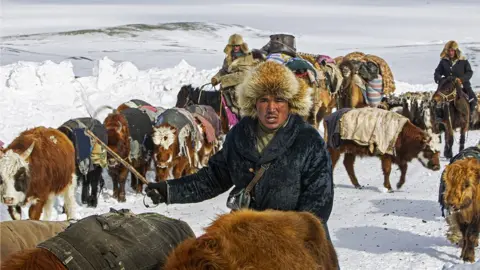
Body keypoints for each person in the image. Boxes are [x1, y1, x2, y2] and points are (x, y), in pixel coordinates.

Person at [146, 61, 335, 243]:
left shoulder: (308, 141)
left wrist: (287, 237)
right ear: (253, 103)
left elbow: (319, 201)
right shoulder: (239, 135)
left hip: (298, 240)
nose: (271, 108)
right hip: (247, 236)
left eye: (279, 100)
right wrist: (168, 191)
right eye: (264, 100)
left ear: (290, 103)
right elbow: (213, 179)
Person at [210, 33, 259, 117]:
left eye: (237, 45)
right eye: (233, 45)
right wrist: (216, 78)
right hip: (227, 87)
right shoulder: (228, 58)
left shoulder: (247, 58)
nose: (235, 47)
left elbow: (244, 75)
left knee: (240, 103)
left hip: (242, 87)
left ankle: (242, 120)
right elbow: (223, 70)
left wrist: (224, 79)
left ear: (241, 46)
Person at [434, 40, 477, 117]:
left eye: (452, 51)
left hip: (463, 85)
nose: (451, 53)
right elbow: (437, 72)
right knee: (436, 100)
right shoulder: (443, 61)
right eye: (449, 51)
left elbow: (469, 72)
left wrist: (461, 79)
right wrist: (441, 80)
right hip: (447, 86)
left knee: (473, 100)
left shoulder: (463, 61)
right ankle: (439, 119)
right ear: (446, 51)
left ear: (456, 51)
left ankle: (469, 117)